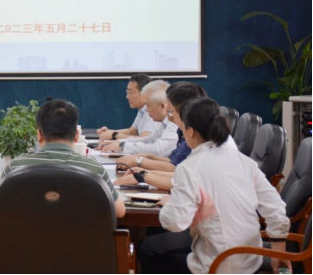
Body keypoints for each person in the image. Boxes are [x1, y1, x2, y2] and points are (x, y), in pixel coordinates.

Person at [139, 98, 291, 274]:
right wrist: (279, 251)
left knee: (147, 250)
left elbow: (175, 223)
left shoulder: (190, 167)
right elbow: (276, 207)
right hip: (250, 262)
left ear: (190, 131)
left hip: (217, 264)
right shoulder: (246, 162)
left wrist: (171, 205)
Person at [0, 99, 126, 219]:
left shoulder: (16, 167)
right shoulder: (94, 170)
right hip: (79, 241)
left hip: (26, 241)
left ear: (39, 134)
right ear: (76, 135)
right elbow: (120, 211)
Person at [113, 82, 208, 190]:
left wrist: (141, 167)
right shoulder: (186, 131)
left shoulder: (196, 136)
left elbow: (176, 172)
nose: (169, 117)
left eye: (171, 111)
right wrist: (144, 171)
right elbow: (177, 170)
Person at [101, 80, 178, 157]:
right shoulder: (165, 122)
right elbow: (148, 140)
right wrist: (120, 142)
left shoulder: (175, 122)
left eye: (148, 105)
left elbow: (157, 150)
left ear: (162, 106)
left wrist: (123, 146)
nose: (146, 110)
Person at [97, 74, 159, 142]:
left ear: (144, 93)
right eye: (127, 92)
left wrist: (114, 135)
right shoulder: (142, 109)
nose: (127, 97)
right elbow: (132, 131)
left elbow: (144, 140)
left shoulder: (152, 111)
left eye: (130, 92)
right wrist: (109, 132)